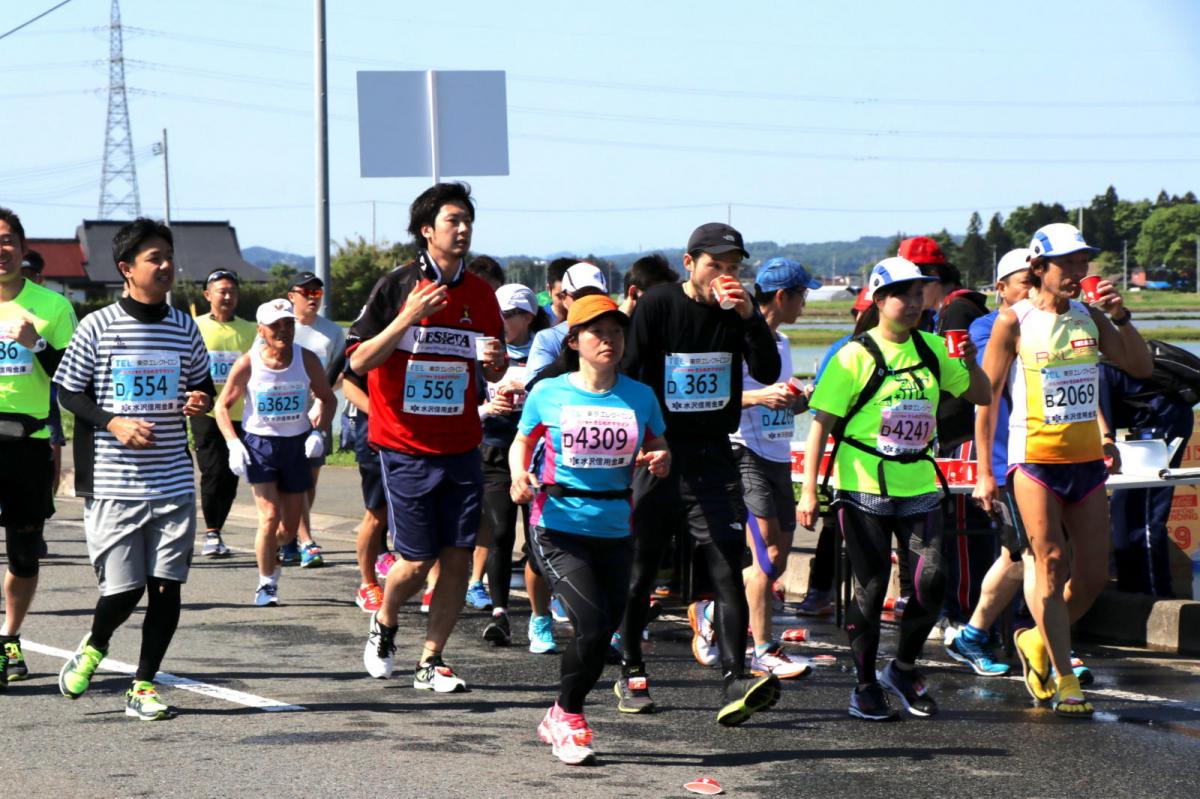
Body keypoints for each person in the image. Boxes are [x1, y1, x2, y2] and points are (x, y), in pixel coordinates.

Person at [798, 256, 991, 721]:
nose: (914, 302)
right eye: (903, 294)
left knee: (931, 581)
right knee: (870, 588)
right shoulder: (853, 355)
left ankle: (902, 668)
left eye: (919, 293)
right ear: (879, 300)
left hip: (919, 481)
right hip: (862, 485)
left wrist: (970, 363)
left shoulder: (934, 348)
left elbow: (982, 395)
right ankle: (864, 685)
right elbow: (820, 425)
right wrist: (808, 491)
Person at [977, 223, 1152, 718]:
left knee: (1092, 576)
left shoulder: (1089, 316)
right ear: (1039, 268)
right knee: (1050, 564)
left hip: (1086, 463)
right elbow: (986, 397)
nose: (1079, 271)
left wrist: (1121, 317)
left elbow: (1139, 366)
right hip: (1033, 461)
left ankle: (1036, 638)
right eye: (1068, 263)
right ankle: (1065, 677)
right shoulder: (1013, 320)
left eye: (1083, 261)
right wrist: (985, 471)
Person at [618, 221, 783, 726]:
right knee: (642, 568)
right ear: (689, 263)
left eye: (733, 268)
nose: (723, 276)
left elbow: (767, 370)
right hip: (660, 453)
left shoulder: (737, 311)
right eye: (715, 265)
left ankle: (736, 675)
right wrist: (645, 442)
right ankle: (631, 668)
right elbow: (630, 373)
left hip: (713, 455)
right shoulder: (659, 304)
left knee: (726, 567)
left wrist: (750, 316)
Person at [54, 218, 214, 720]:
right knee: (123, 591)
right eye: (153, 258)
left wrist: (199, 400)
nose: (165, 266)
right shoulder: (96, 326)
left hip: (172, 479)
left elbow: (204, 388)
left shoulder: (183, 326)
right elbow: (68, 392)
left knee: (166, 586)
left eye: (168, 256)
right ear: (126, 268)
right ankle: (96, 643)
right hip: (114, 481)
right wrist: (113, 422)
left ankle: (143, 684)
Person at [350, 182, 506, 692]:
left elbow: (494, 364)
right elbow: (358, 361)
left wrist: (496, 362)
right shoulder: (397, 285)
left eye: (467, 221)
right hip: (405, 446)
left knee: (458, 558)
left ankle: (431, 659)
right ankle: (385, 620)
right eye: (452, 221)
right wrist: (408, 317)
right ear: (426, 230)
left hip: (462, 445)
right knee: (417, 562)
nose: (462, 230)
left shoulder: (480, 294)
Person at [510, 294, 670, 765]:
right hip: (557, 524)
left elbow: (660, 444)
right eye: (598, 332)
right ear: (574, 340)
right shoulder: (549, 392)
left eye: (616, 332)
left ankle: (559, 711)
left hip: (616, 526)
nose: (609, 341)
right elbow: (523, 440)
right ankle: (570, 717)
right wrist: (519, 474)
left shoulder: (640, 395)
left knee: (603, 634)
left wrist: (661, 459)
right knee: (592, 623)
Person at [689, 257, 817, 680]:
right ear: (782, 296)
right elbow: (715, 395)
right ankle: (763, 648)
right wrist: (760, 397)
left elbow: (783, 399)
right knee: (763, 558)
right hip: (743, 451)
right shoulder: (735, 336)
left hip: (779, 454)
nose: (805, 303)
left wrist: (801, 398)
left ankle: (711, 612)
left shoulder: (783, 342)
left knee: (777, 558)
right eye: (802, 294)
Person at [947, 248, 1036, 677]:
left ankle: (980, 633)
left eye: (1038, 281)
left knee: (1025, 556)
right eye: (1026, 282)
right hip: (1010, 460)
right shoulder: (988, 327)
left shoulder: (1055, 321)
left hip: (1053, 457)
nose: (1033, 290)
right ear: (1001, 288)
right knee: (1030, 553)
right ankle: (1043, 643)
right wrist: (985, 471)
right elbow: (986, 391)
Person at [214, 299, 336, 606]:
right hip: (260, 445)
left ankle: (274, 550)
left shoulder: (307, 359)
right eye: (275, 325)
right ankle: (266, 583)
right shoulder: (248, 362)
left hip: (296, 445)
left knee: (287, 530)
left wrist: (319, 432)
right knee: (268, 517)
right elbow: (222, 406)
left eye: (288, 324)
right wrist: (233, 443)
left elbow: (328, 398)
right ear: (261, 330)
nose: (283, 330)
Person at [0, 209, 77, 686]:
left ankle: (9, 638)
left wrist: (38, 345)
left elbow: (75, 378)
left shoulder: (53, 306)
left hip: (27, 444)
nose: (1, 249)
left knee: (24, 553)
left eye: (8, 240)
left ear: (23, 248)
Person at [476, 283, 558, 653]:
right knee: (499, 532)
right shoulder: (485, 350)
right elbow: (468, 399)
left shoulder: (546, 349)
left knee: (539, 537)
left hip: (536, 453)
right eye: (497, 314)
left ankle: (542, 615)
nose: (501, 321)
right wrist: (486, 409)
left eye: (508, 315)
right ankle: (499, 614)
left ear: (527, 316)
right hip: (494, 450)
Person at [796, 284, 872, 617]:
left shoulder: (913, 348)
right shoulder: (843, 350)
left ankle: (899, 595)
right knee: (834, 524)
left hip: (894, 462)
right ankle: (819, 591)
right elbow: (819, 411)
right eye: (865, 314)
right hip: (845, 455)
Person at [1099, 362, 1194, 597]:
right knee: (1122, 508)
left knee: (1145, 513)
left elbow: (1103, 436)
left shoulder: (1094, 374)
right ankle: (1130, 590)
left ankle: (1156, 594)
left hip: (1163, 421)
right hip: (1142, 427)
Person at [278, 271, 346, 568]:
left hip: (319, 413)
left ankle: (291, 535)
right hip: (284, 415)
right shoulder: (279, 325)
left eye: (317, 293)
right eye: (306, 293)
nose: (312, 298)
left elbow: (341, 371)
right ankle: (305, 541)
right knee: (294, 479)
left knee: (309, 481)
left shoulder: (332, 332)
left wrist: (322, 396)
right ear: (291, 296)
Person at [191, 269, 256, 558]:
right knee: (212, 471)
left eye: (232, 291)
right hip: (205, 412)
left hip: (239, 413)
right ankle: (211, 532)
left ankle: (217, 528)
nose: (227, 296)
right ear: (208, 295)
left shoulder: (250, 330)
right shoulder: (195, 326)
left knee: (231, 473)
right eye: (221, 291)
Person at [343, 361, 393, 613]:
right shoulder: (371, 339)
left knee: (431, 512)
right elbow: (349, 384)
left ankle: (432, 588)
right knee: (377, 514)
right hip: (378, 439)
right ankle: (368, 585)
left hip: (425, 438)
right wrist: (381, 414)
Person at [525, 262, 608, 380]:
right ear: (563, 298)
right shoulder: (549, 338)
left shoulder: (620, 334)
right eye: (580, 297)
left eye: (597, 296)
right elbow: (535, 386)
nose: (588, 302)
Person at [542, 257, 577, 324]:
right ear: (549, 290)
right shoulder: (538, 322)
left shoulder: (590, 318)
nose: (566, 303)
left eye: (573, 296)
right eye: (561, 296)